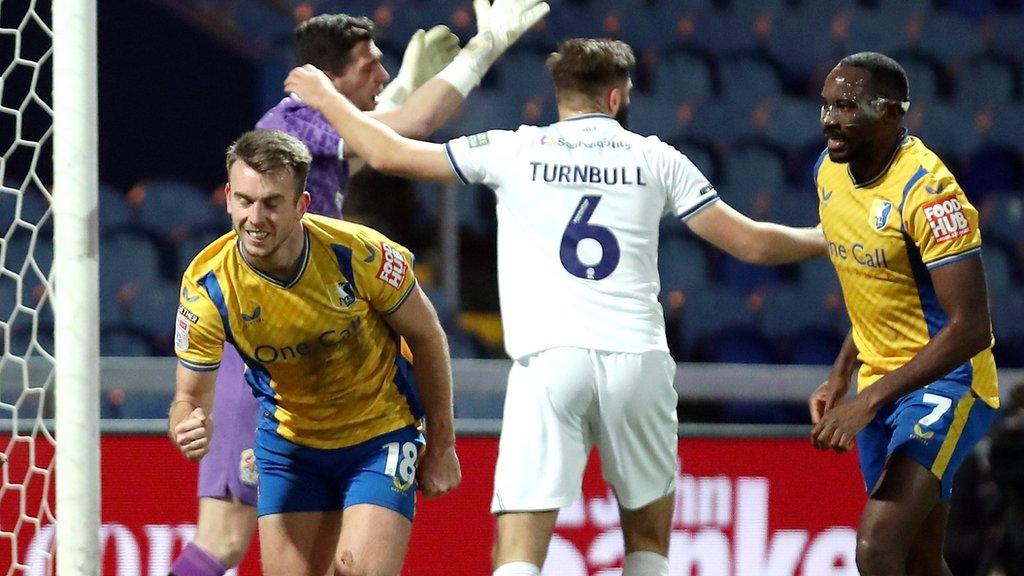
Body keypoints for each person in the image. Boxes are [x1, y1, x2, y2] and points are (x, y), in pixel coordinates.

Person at [285, 37, 827, 576]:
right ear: (617, 97)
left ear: (559, 94)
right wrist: (827, 237)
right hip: (637, 359)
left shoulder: (517, 148)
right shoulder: (657, 157)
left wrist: (327, 98)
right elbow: (753, 243)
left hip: (550, 362)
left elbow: (387, 153)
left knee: (518, 554)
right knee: (647, 544)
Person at [170, 3, 548, 574]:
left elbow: (374, 129)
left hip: (340, 376)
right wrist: (484, 48)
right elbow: (401, 134)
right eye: (371, 65)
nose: (382, 74)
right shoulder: (293, 124)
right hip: (266, 357)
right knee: (222, 540)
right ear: (331, 77)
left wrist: (401, 90)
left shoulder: (321, 150)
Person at [168, 129, 460, 575]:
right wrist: (185, 425)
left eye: (271, 203)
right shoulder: (207, 287)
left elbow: (427, 335)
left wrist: (441, 442)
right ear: (228, 197)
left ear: (302, 205)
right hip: (290, 449)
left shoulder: (361, 253)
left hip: (378, 438)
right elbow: (188, 400)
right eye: (245, 201)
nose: (256, 217)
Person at [806, 52, 1000, 576]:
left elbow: (972, 329)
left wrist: (867, 401)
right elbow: (875, 288)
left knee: (876, 548)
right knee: (919, 559)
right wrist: (841, 375)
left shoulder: (931, 195)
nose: (829, 120)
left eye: (846, 107)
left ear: (891, 113)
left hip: (947, 382)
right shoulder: (828, 172)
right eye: (825, 105)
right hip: (878, 382)